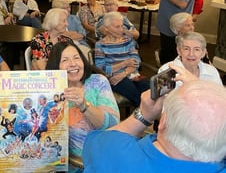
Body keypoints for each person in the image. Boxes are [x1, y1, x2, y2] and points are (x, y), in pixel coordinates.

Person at [82, 66, 226, 173]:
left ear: (163, 123)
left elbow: (99, 145)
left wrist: (143, 116)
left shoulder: (115, 152)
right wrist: (202, 90)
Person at [46, 42, 119, 173]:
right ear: (55, 66)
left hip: (103, 158)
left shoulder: (98, 81)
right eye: (65, 60)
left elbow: (113, 125)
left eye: (76, 57)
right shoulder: (49, 93)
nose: (73, 64)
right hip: (66, 164)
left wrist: (84, 105)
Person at [94, 12, 149, 106]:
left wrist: (124, 73)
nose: (121, 30)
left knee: (149, 89)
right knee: (136, 95)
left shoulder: (128, 40)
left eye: (121, 26)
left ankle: (146, 117)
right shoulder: (100, 45)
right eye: (117, 27)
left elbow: (136, 60)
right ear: (107, 28)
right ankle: (147, 117)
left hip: (130, 74)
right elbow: (101, 68)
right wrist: (125, 63)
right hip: (113, 78)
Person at [158, 32, 222, 86]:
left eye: (196, 49)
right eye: (186, 49)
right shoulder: (166, 71)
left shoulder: (212, 71)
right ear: (179, 51)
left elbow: (221, 97)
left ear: (203, 53)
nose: (191, 54)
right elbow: (164, 100)